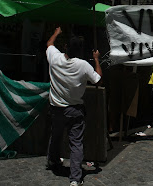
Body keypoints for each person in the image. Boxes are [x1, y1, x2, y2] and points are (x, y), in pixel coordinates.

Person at [46, 27, 102, 186]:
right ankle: (75, 178)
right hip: (74, 110)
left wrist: (56, 33)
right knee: (76, 144)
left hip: (56, 108)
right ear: (81, 50)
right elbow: (98, 80)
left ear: (65, 47)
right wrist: (96, 59)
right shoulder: (83, 65)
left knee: (56, 136)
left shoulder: (55, 58)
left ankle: (53, 161)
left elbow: (49, 44)